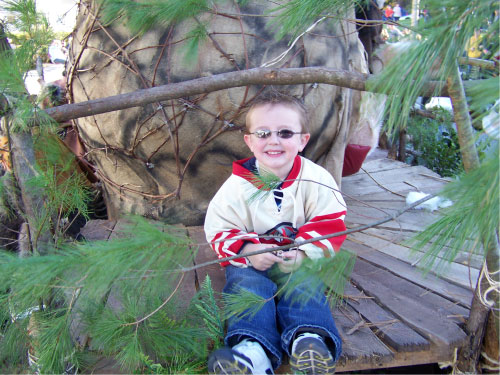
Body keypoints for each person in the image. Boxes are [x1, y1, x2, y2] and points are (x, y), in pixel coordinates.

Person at [204, 92, 347, 374]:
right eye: (263, 133)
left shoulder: (316, 179)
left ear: (303, 140)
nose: (274, 140)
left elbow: (331, 220)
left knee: (305, 287)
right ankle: (252, 352)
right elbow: (218, 226)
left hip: (296, 260)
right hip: (252, 262)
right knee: (246, 287)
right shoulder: (236, 187)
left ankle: (309, 341)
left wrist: (305, 252)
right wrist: (246, 251)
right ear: (249, 141)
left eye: (285, 132)